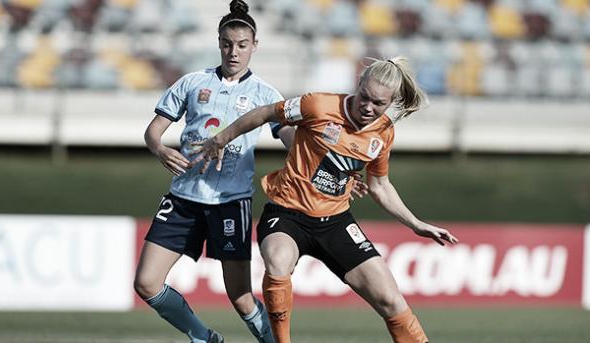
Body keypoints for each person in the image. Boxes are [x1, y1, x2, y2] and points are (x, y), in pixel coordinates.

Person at [194, 56, 460, 343]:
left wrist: (415, 224)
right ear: (358, 85)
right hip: (286, 214)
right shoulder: (318, 105)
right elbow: (266, 113)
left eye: (378, 103)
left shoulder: (383, 134)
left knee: (391, 300)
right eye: (364, 97)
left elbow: (380, 186)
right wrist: (220, 139)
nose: (368, 107)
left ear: (391, 102)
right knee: (278, 262)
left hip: (335, 222)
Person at [133, 1, 294, 342]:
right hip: (183, 199)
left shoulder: (265, 94)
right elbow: (153, 131)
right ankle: (203, 337)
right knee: (146, 283)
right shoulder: (193, 82)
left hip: (229, 202)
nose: (233, 52)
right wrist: (160, 149)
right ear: (218, 42)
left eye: (242, 45)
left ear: (255, 46)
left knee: (240, 297)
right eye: (227, 44)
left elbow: (293, 142)